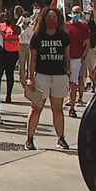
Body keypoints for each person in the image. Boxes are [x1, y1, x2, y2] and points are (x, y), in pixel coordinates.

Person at [25, 8, 71, 151]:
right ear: (44, 19)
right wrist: (30, 77)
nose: (52, 20)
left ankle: (61, 138)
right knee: (36, 108)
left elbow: (67, 56)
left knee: (57, 108)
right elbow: (33, 58)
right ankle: (29, 139)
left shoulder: (63, 36)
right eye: (49, 17)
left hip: (59, 76)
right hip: (42, 76)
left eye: (55, 17)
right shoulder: (38, 36)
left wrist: (68, 73)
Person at [66, 6, 91, 117]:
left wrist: (83, 56)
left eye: (78, 12)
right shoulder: (65, 26)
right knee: (63, 82)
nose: (76, 14)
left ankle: (72, 106)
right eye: (74, 12)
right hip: (65, 58)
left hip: (77, 59)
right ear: (71, 13)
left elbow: (87, 43)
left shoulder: (84, 27)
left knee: (74, 83)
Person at [0, 12, 21, 103]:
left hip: (12, 53)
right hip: (2, 52)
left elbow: (17, 31)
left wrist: (11, 22)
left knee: (9, 74)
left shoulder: (15, 26)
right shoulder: (1, 25)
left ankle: (8, 96)